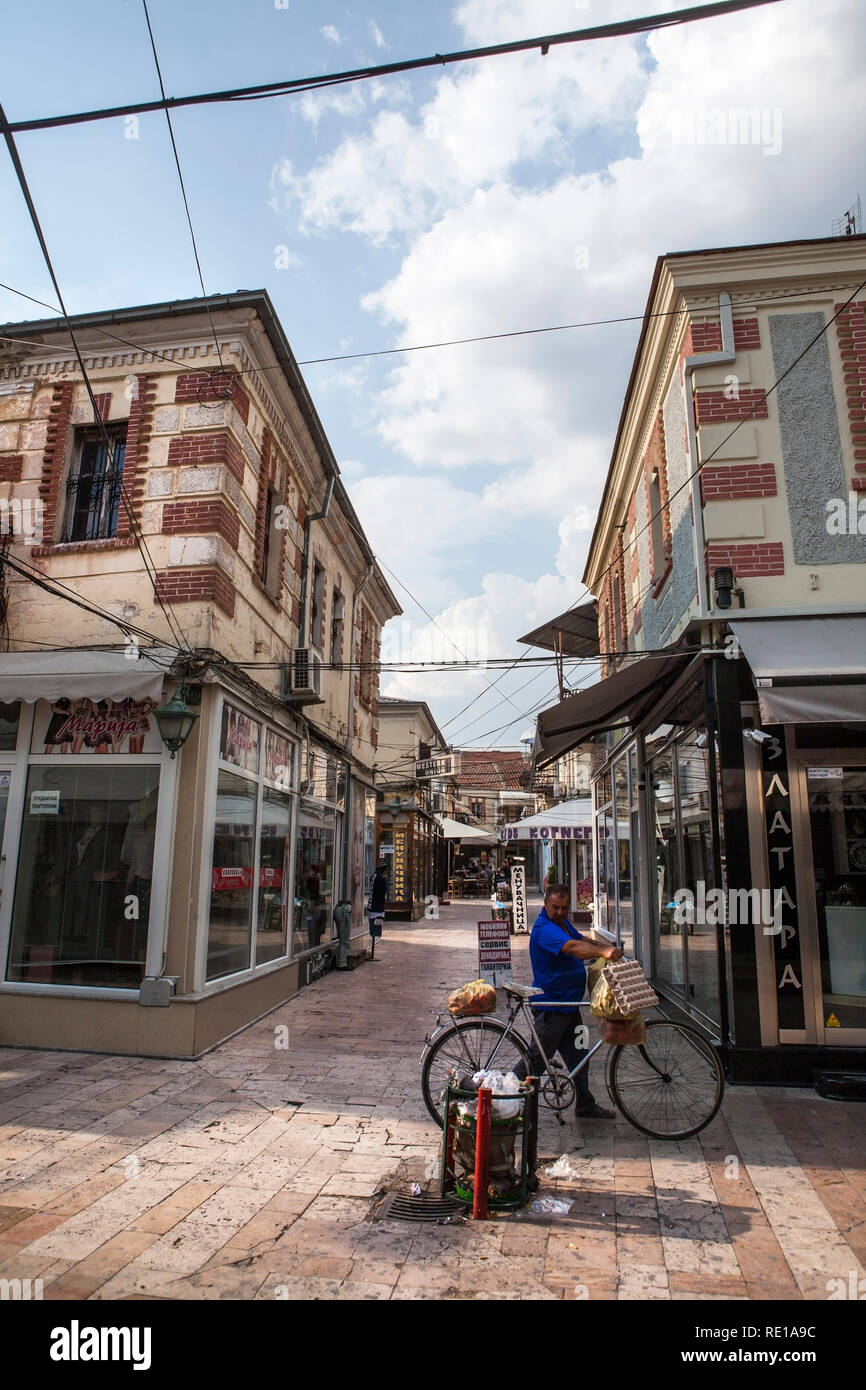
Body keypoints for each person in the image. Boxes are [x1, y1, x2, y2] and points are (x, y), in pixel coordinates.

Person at [514, 883, 623, 1120]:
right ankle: (500, 1098)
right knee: (536, 1060)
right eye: (556, 907)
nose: (561, 912)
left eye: (565, 908)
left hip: (569, 1007)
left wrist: (606, 946)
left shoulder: (561, 924)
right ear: (546, 904)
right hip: (552, 1008)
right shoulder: (545, 929)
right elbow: (573, 947)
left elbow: (580, 938)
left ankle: (585, 1104)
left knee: (579, 1056)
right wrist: (603, 953)